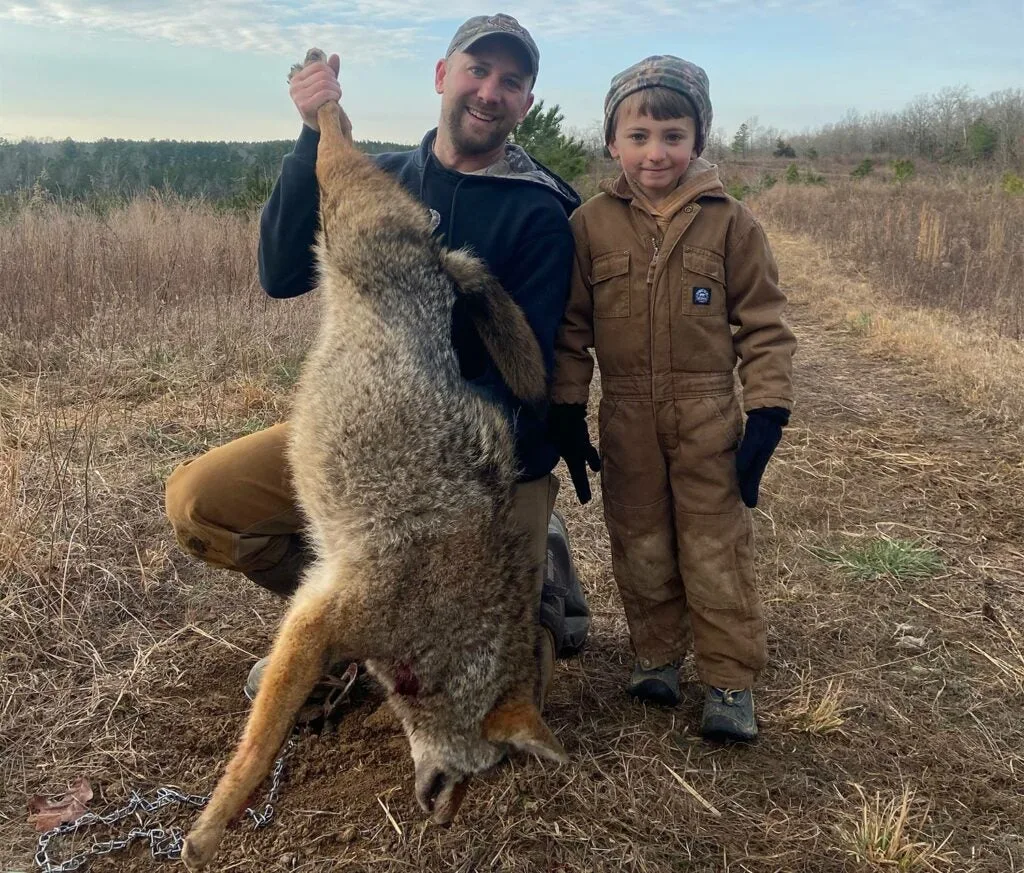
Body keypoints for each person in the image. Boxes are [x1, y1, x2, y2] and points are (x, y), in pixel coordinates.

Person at [165, 14, 590, 708]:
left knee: (478, 713)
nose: (490, 91)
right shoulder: (378, 177)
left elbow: (526, 384)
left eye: (511, 82)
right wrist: (312, 134)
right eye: (477, 70)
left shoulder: (541, 213)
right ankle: (355, 629)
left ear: (526, 105)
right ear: (441, 77)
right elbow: (279, 273)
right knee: (201, 505)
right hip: (362, 436)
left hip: (479, 460)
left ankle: (538, 589)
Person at [547, 55, 796, 742]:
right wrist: (568, 408)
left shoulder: (732, 224)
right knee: (641, 540)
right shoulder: (590, 225)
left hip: (707, 416)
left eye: (673, 135)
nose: (655, 152)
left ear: (699, 138)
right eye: (639, 135)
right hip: (626, 415)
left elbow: (766, 325)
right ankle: (656, 655)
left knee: (715, 549)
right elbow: (570, 328)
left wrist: (767, 412)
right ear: (612, 141)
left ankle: (729, 681)